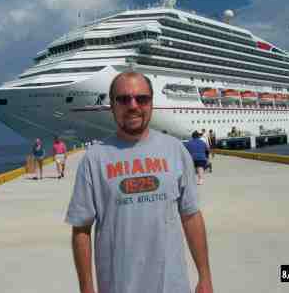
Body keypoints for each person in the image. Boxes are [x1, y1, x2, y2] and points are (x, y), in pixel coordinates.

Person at [65, 72, 213, 293]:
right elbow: (81, 230)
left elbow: (191, 216)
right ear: (112, 105)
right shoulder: (94, 159)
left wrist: (205, 277)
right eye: (123, 99)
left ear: (151, 102)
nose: (133, 105)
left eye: (141, 98)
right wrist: (86, 289)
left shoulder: (175, 150)